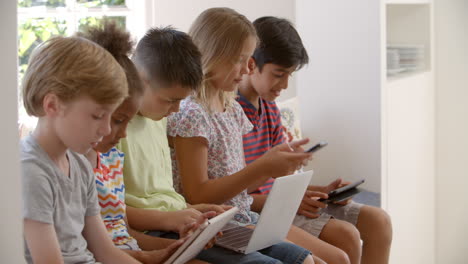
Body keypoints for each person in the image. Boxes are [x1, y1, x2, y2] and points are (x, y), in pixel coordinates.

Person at [118, 25, 315, 264]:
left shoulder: (160, 116)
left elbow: (168, 196)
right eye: (171, 100)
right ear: (142, 81)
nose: (176, 110)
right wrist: (176, 217)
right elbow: (112, 213)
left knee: (304, 260)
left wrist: (198, 209)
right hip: (160, 227)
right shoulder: (117, 130)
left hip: (187, 219)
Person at [167, 7, 321, 264]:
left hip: (243, 217)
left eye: (249, 59)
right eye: (240, 59)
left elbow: (240, 187)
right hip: (214, 225)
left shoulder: (231, 108)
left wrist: (275, 167)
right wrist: (263, 166)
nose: (248, 68)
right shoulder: (191, 114)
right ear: (212, 54)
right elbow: (197, 195)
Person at [237, 16, 393, 264]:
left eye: (289, 75)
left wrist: (320, 192)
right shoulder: (230, 115)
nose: (285, 85)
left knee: (379, 221)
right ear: (251, 65)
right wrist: (293, 199)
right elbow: (234, 195)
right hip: (260, 209)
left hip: (281, 201)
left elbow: (281, 180)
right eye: (279, 74)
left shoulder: (269, 108)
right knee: (346, 236)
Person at [80, 21, 212, 264]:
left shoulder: (108, 157)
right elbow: (99, 248)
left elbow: (121, 230)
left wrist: (169, 249)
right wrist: (158, 248)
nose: (121, 132)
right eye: (116, 120)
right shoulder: (89, 155)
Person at [20, 36, 140, 263]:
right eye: (97, 116)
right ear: (53, 105)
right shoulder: (31, 172)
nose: (106, 129)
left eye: (109, 116)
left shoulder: (80, 166)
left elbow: (106, 252)